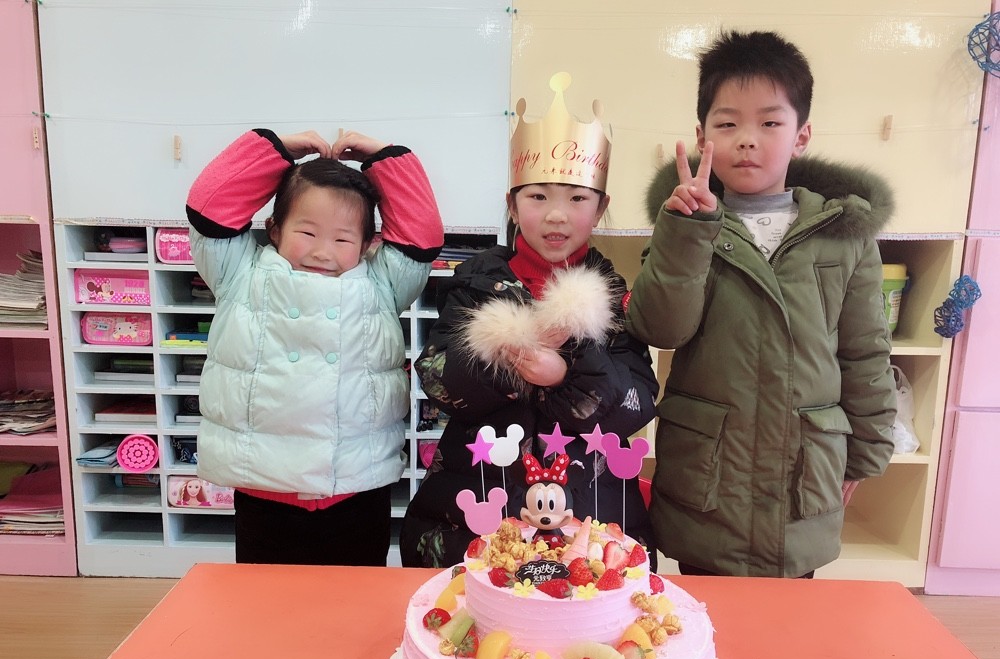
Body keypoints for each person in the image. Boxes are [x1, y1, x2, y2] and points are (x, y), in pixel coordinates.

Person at [625, 30, 897, 578]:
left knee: (787, 620)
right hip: (709, 479)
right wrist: (687, 230)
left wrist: (867, 452)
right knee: (701, 617)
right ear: (702, 136)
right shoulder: (685, 224)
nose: (747, 140)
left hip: (803, 473)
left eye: (770, 123)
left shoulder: (842, 234)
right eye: (727, 124)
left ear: (801, 135)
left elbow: (865, 352)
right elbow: (661, 328)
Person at [399, 73, 659, 568]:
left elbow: (637, 401)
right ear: (512, 206)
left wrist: (567, 376)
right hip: (485, 500)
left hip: (589, 506)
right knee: (482, 602)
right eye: (538, 197)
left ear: (601, 208)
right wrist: (508, 359)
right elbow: (435, 377)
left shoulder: (613, 295)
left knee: (587, 601)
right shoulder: (475, 284)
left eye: (577, 198)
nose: (557, 215)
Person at [187, 128, 443, 565]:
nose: (323, 252)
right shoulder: (240, 272)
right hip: (263, 488)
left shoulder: (380, 284)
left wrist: (386, 158)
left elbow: (421, 238)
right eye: (307, 232)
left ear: (368, 244)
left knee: (355, 600)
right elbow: (210, 210)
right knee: (267, 599)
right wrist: (275, 151)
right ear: (274, 229)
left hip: (358, 488)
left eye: (342, 239)